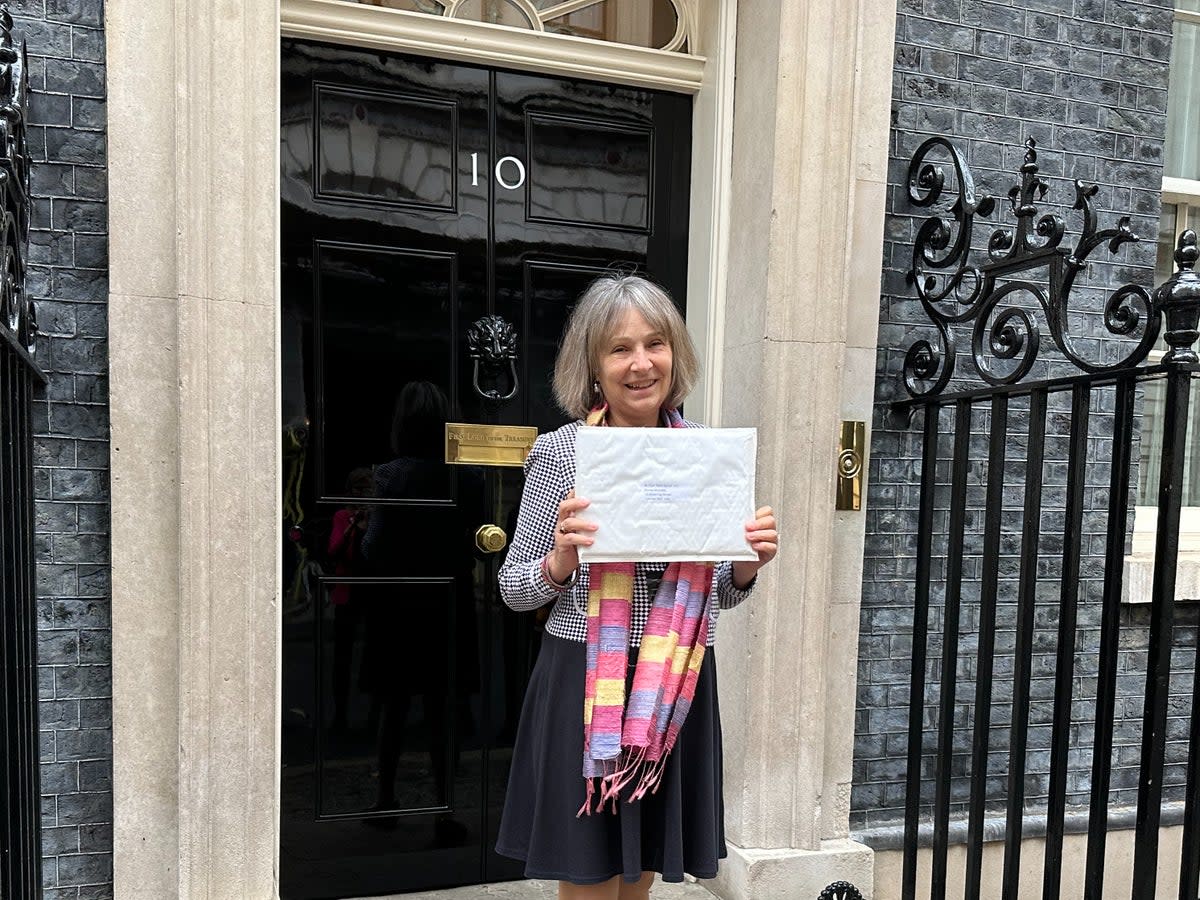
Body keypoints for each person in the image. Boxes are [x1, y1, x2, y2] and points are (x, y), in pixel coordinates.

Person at [495, 274, 778, 900]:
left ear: (675, 354)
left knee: (639, 878)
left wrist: (745, 567)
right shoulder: (561, 453)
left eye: (655, 343)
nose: (640, 363)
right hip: (586, 682)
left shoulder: (706, 453)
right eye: (619, 348)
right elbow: (514, 588)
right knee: (592, 878)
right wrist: (560, 559)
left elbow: (721, 596)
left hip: (673, 683)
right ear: (593, 366)